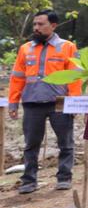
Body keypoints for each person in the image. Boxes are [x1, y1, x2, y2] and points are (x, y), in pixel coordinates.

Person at [9, 10, 82, 194]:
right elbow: (17, 78)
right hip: (32, 102)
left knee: (65, 143)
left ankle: (64, 178)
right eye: (35, 24)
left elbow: (75, 77)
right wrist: (13, 103)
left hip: (60, 102)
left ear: (53, 25)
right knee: (31, 145)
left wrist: (73, 102)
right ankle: (28, 181)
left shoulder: (68, 47)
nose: (36, 28)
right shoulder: (25, 48)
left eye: (41, 24)